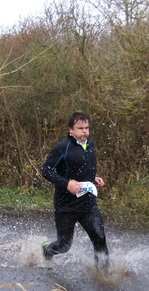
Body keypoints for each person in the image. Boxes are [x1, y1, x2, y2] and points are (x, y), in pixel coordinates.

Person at [40, 111, 109, 267]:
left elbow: (82, 167)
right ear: (70, 129)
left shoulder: (90, 144)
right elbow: (46, 171)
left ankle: (104, 277)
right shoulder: (62, 147)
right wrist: (67, 183)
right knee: (64, 246)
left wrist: (93, 178)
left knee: (100, 240)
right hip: (66, 205)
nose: (85, 131)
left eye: (87, 128)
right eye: (80, 128)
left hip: (88, 203)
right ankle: (47, 250)